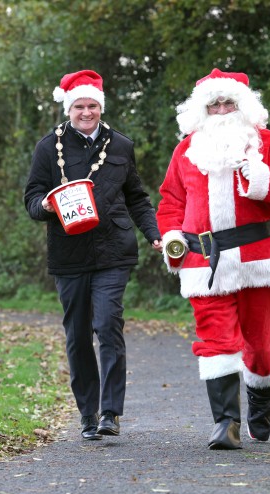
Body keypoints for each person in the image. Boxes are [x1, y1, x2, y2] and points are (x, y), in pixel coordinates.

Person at [156, 68, 270, 449]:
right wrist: (173, 235)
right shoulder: (186, 150)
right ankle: (225, 423)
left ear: (244, 105)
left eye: (229, 102)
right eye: (214, 103)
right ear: (202, 110)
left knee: (261, 348)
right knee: (216, 341)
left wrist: (263, 177)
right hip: (202, 261)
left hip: (259, 259)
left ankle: (261, 403)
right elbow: (171, 203)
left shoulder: (269, 144)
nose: (222, 109)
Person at [23, 70, 162, 441]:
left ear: (101, 107)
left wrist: (154, 234)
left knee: (107, 323)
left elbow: (137, 196)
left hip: (114, 250)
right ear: (69, 108)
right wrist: (47, 206)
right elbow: (32, 197)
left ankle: (111, 412)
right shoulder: (46, 148)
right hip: (68, 254)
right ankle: (88, 413)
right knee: (78, 335)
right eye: (80, 106)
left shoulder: (120, 146)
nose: (87, 112)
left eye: (93, 106)